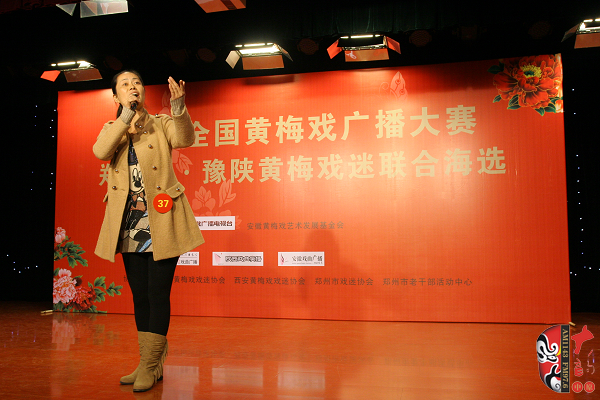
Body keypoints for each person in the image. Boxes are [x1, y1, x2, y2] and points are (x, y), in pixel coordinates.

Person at [93, 70, 204, 392]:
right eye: (125, 85)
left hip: (161, 219)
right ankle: (148, 364)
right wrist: (125, 117)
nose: (133, 88)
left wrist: (179, 108)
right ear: (116, 96)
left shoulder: (161, 123)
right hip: (129, 222)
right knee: (139, 294)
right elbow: (101, 151)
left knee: (157, 293)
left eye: (137, 83)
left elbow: (184, 139)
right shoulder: (112, 128)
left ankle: (150, 365)